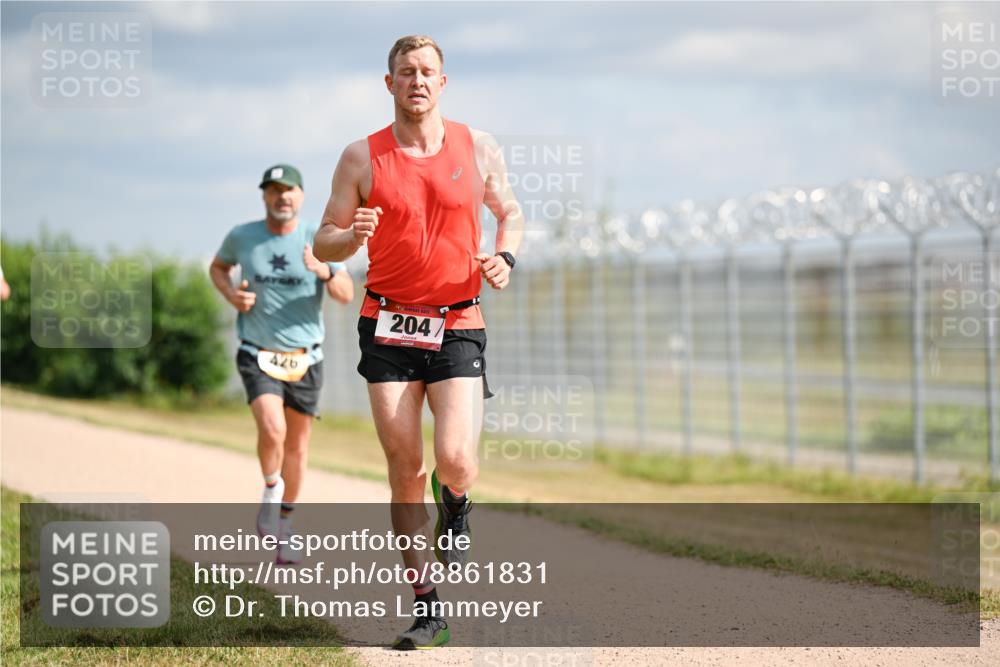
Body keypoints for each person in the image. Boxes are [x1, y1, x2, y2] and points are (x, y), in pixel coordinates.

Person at [313, 35, 524, 649]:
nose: (417, 81)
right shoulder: (361, 156)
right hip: (387, 323)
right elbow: (323, 241)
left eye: (427, 72)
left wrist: (506, 254)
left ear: (443, 81)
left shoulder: (478, 147)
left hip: (458, 320)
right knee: (405, 469)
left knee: (455, 458)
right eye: (406, 72)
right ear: (390, 84)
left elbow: (509, 210)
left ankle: (456, 503)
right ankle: (427, 607)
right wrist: (350, 236)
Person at [210, 164, 353, 564]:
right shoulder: (243, 237)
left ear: (301, 196)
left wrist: (324, 270)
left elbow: (345, 292)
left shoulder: (316, 237)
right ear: (264, 197)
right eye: (274, 191)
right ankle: (271, 491)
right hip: (257, 350)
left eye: (288, 190)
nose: (282, 197)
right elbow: (217, 268)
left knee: (298, 446)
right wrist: (231, 296)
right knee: (272, 428)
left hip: (305, 357)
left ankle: (285, 524)